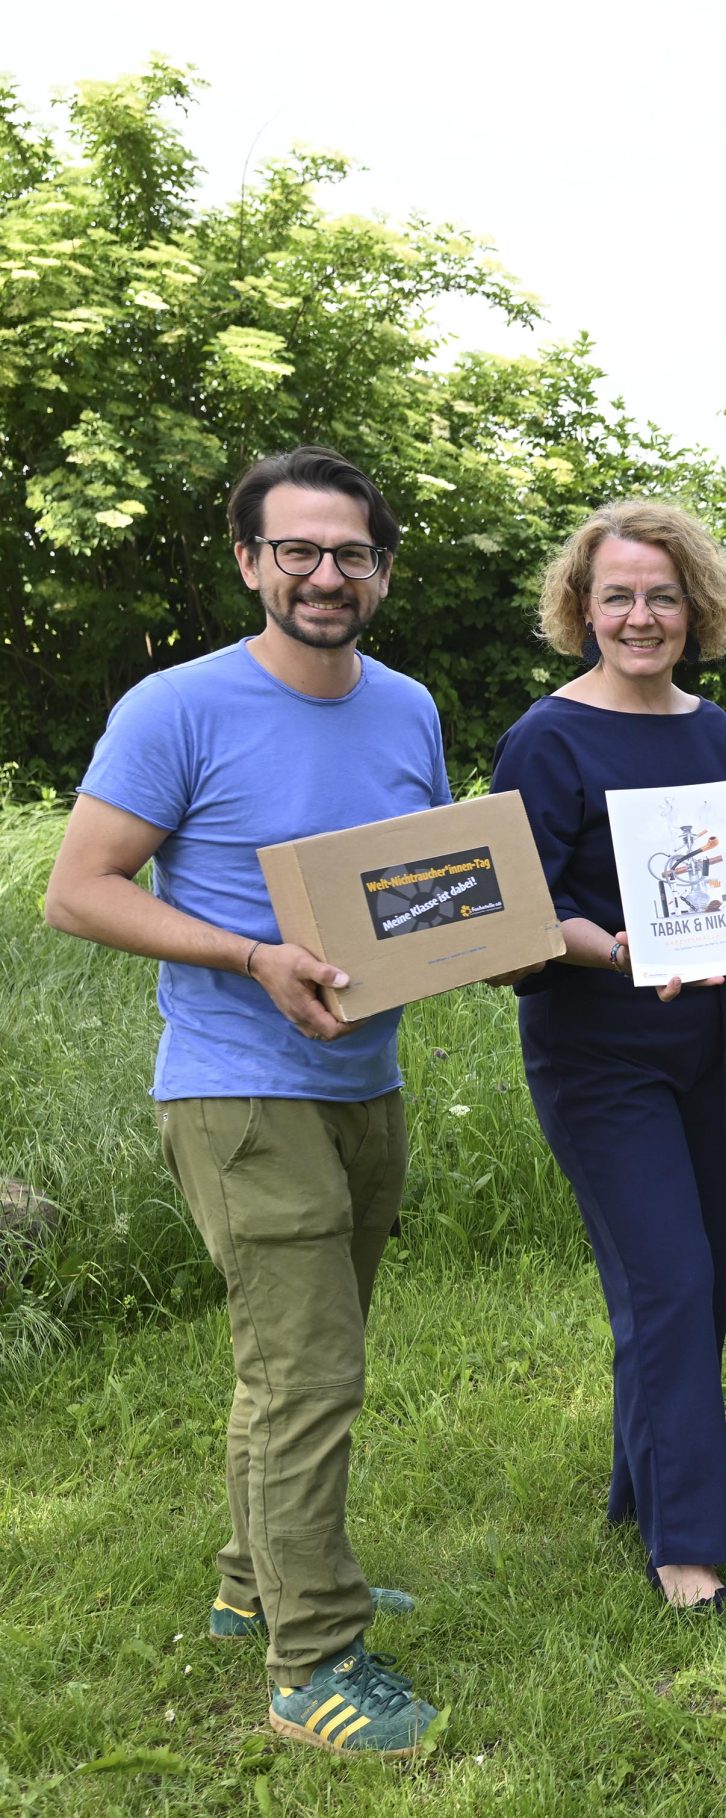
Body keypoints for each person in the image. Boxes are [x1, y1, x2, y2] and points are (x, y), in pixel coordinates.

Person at [42, 447, 445, 1755]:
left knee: (292, 1363)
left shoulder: (409, 708)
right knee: (309, 1370)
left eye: (352, 553)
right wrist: (249, 953)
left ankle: (252, 1577)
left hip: (363, 1080)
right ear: (249, 559)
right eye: (299, 551)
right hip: (238, 1086)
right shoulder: (178, 705)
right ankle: (312, 1663)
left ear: (381, 567)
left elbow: (414, 880)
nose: (327, 575)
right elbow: (81, 886)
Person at [489, 501, 726, 1616]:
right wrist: (611, 950)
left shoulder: (711, 728)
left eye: (661, 596)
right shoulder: (546, 737)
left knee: (697, 1288)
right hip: (598, 1050)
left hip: (704, 1041)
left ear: (693, 608)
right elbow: (513, 907)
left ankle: (640, 1488)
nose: (640, 616)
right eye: (618, 596)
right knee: (669, 1282)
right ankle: (687, 1551)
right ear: (580, 606)